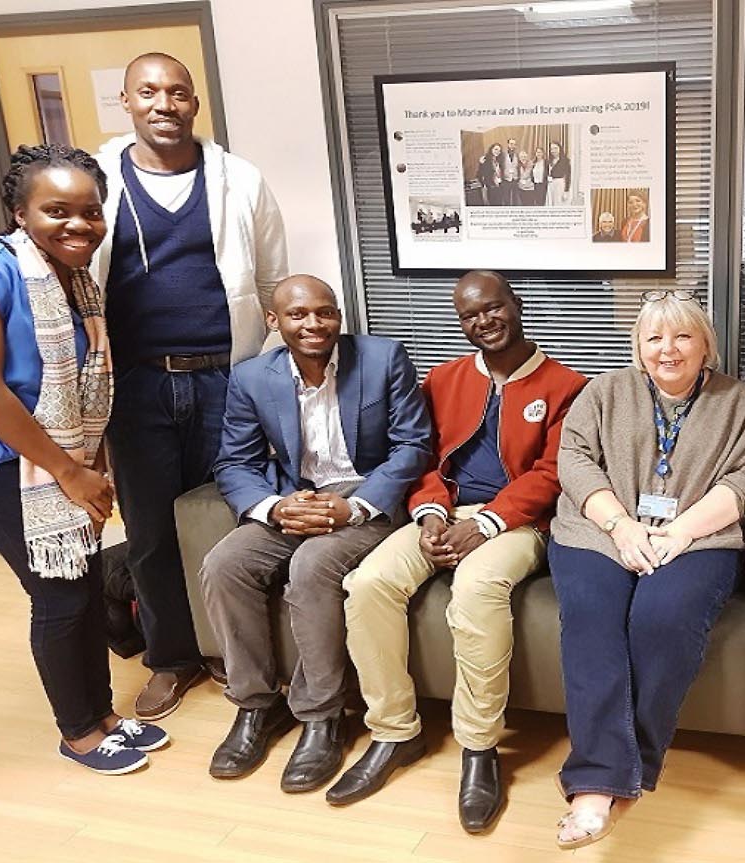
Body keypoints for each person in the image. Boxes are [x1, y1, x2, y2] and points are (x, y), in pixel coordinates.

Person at [0, 144, 168, 774]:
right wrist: (70, 471)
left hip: (61, 458)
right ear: (19, 212)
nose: (78, 225)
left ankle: (103, 715)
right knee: (60, 595)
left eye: (90, 212)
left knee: (85, 587)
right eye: (56, 210)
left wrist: (84, 464)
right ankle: (79, 733)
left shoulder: (76, 280)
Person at [332, 271, 587, 831]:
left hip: (520, 523)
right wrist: (429, 516)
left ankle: (479, 748)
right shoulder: (442, 380)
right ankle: (395, 732)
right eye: (470, 316)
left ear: (516, 306)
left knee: (475, 590)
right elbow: (422, 457)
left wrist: (489, 524)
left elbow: (552, 474)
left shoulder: (566, 385)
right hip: (444, 515)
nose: (484, 322)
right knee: (368, 583)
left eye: (493, 309)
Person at [90, 52, 288, 720]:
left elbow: (272, 287)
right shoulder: (98, 181)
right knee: (149, 531)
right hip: (137, 385)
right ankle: (172, 656)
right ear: (127, 102)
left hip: (225, 381)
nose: (163, 104)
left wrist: (274, 383)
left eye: (177, 93)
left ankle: (235, 650)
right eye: (148, 92)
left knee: (229, 522)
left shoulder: (240, 180)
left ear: (194, 104)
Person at [548, 290, 745, 849]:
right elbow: (572, 459)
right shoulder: (604, 391)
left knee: (663, 620)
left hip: (699, 536)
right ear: (638, 346)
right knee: (593, 619)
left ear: (706, 345)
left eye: (682, 336)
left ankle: (628, 765)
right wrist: (621, 527)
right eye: (654, 337)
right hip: (598, 531)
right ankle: (599, 785)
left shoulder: (740, 401)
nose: (667, 350)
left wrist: (679, 532)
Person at [200, 275, 431, 792]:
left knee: (311, 566)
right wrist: (274, 507)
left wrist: (355, 507)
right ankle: (256, 705)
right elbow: (235, 462)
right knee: (224, 564)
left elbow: (413, 445)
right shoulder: (251, 378)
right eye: (298, 315)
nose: (313, 324)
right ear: (273, 321)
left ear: (339, 317)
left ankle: (322, 716)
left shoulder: (383, 358)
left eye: (324, 313)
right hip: (294, 502)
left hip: (366, 502)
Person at [545, 141, 572, 206]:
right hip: (551, 185)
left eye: (555, 148)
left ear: (560, 148)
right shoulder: (549, 160)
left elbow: (568, 176)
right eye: (551, 149)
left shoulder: (565, 160)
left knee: (558, 203)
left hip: (559, 185)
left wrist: (566, 191)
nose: (553, 150)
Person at [502, 138, 521, 206]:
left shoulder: (518, 155)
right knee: (506, 198)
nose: (513, 146)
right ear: (508, 144)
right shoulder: (503, 155)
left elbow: (520, 166)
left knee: (515, 198)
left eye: (514, 144)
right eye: (511, 144)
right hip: (506, 179)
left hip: (515, 179)